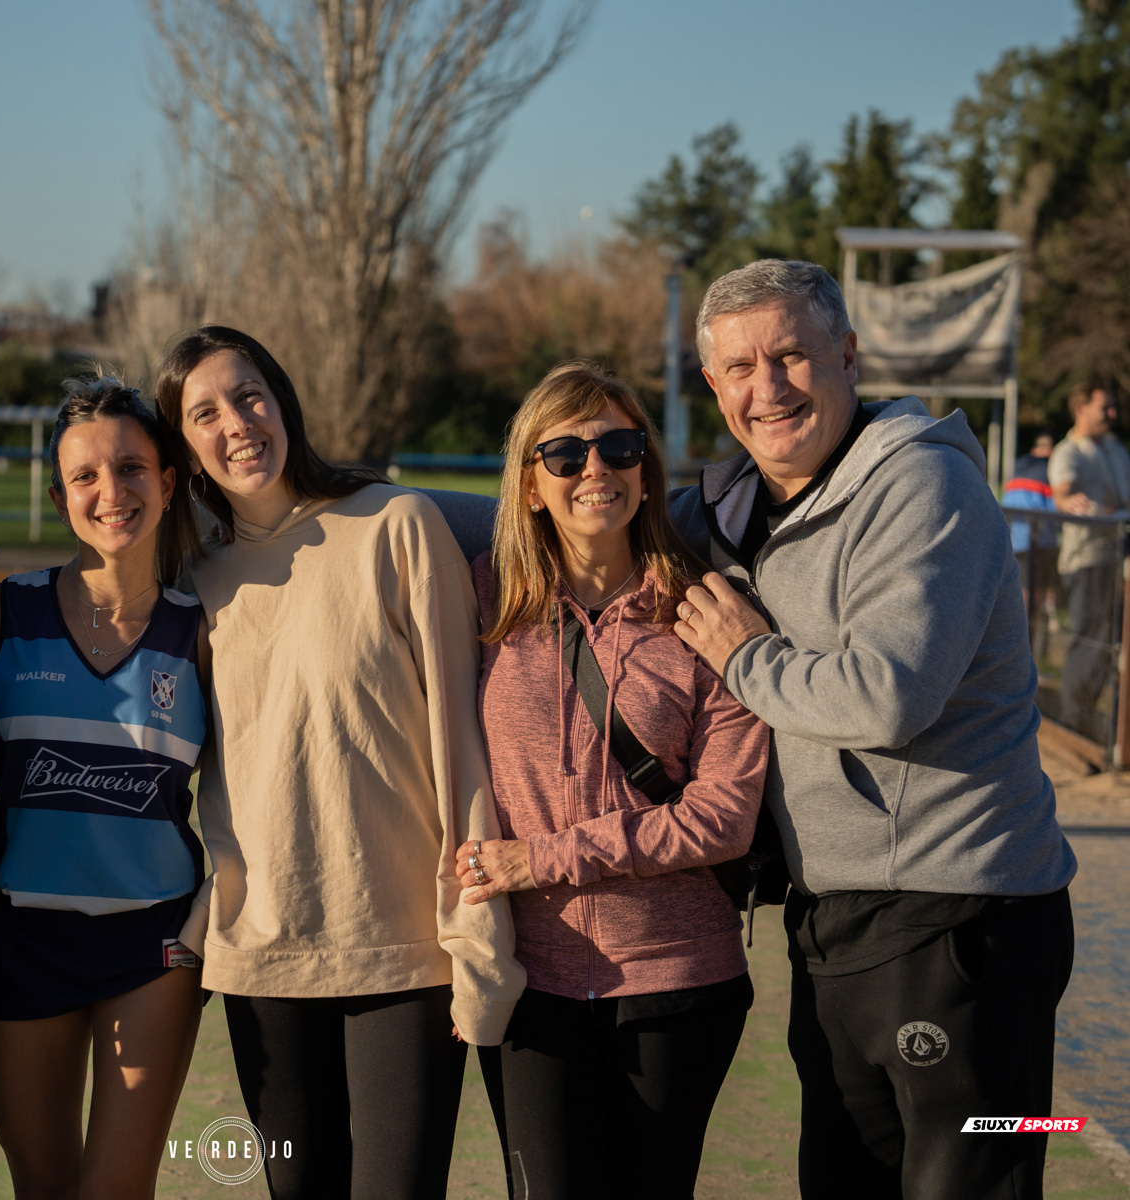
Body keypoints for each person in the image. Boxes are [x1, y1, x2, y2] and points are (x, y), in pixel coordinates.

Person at [669, 259, 1076, 1200]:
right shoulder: (737, 508)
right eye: (740, 368)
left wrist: (744, 656)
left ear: (848, 356)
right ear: (713, 386)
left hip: (967, 915)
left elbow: (887, 696)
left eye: (792, 356)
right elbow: (580, 528)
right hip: (840, 916)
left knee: (977, 1176)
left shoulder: (925, 483)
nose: (767, 388)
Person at [153, 325, 524, 1200]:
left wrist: (477, 928)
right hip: (263, 951)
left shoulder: (395, 524)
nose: (237, 423)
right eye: (204, 413)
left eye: (250, 396)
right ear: (184, 447)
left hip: (404, 946)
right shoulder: (192, 579)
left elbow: (459, 744)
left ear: (283, 403)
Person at [455, 361, 769, 1200]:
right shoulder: (484, 605)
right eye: (565, 454)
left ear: (645, 469)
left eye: (618, 447)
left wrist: (542, 859)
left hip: (679, 982)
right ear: (531, 485)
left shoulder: (707, 613)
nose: (596, 469)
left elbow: (722, 820)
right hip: (530, 983)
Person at [0, 373, 207, 1200]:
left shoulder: (202, 631)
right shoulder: (3, 614)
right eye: (86, 476)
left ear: (170, 481)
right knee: (42, 1185)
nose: (112, 492)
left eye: (133, 468)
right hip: (22, 937)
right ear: (58, 494)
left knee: (114, 1190)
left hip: (154, 946)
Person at [1049, 383, 1130, 741]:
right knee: (1089, 639)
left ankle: (1093, 722)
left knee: (1112, 640)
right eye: (1104, 408)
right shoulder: (1068, 453)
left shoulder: (1115, 449)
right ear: (1081, 409)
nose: (1112, 414)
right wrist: (1068, 501)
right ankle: (1075, 722)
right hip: (1088, 560)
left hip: (1117, 557)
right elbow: (1062, 494)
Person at [1002, 433, 1058, 661]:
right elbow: (1055, 509)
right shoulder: (1046, 471)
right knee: (1035, 603)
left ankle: (1023, 656)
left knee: (1024, 600)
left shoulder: (1018, 467)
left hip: (1018, 541)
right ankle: (1030, 657)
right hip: (1040, 543)